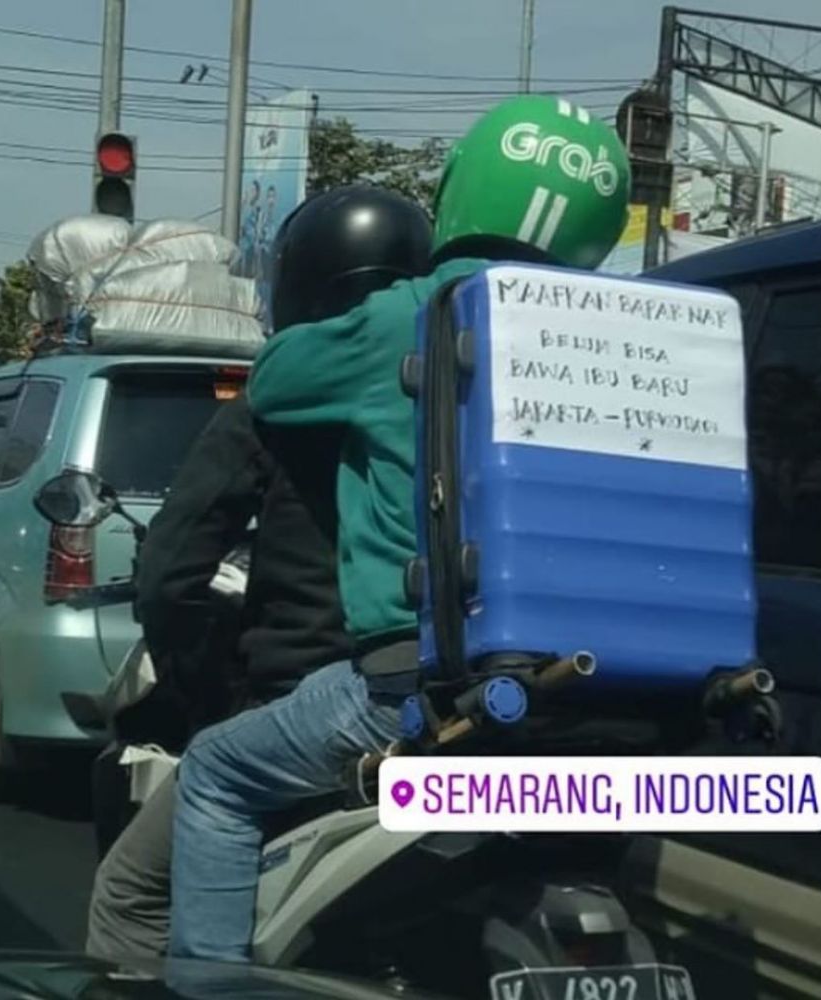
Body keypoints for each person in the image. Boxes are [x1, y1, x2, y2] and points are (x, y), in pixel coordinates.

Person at [168, 94, 631, 962]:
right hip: (607, 698)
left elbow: (273, 381)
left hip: (413, 692)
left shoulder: (404, 315)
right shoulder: (636, 334)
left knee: (215, 777)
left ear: (460, 192)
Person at [85, 184, 434, 962]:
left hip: (322, 711)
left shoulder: (271, 404)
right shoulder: (460, 402)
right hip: (456, 701)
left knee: (132, 893)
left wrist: (204, 688)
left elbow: (172, 574)